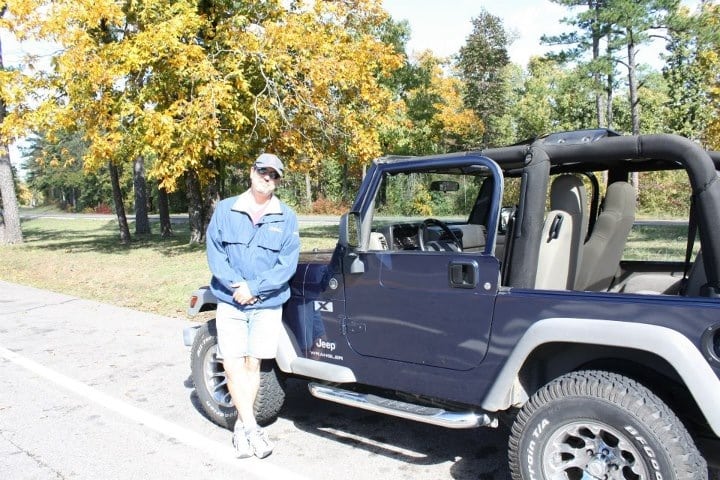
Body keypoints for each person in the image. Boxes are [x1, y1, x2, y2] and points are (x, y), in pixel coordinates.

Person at [205, 153, 300, 459]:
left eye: (274, 175)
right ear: (252, 172)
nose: (268, 178)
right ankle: (252, 428)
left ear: (279, 181)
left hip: (267, 302)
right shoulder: (226, 210)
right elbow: (216, 253)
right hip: (231, 300)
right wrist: (238, 287)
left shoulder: (286, 217)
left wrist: (254, 288)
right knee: (232, 363)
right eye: (263, 172)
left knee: (253, 365)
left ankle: (242, 428)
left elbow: (287, 264)